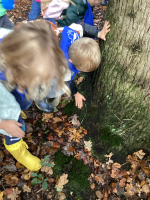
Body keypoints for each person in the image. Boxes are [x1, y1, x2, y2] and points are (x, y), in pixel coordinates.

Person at [0, 20, 69, 171]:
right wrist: (4, 123)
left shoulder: (19, 43)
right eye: (33, 78)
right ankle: (16, 148)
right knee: (13, 126)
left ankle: (17, 105)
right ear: (18, 69)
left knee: (21, 98)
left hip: (11, 88)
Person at [35, 20, 110, 111]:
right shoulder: (64, 66)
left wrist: (98, 33)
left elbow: (83, 27)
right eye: (81, 69)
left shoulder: (74, 33)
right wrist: (75, 93)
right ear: (71, 61)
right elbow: (66, 83)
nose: (81, 72)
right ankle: (40, 97)